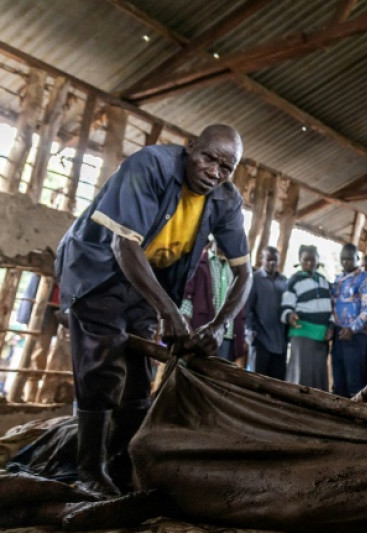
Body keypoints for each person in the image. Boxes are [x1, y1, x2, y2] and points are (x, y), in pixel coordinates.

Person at [55, 124, 251, 497]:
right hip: (98, 268)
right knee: (102, 359)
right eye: (208, 158)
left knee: (138, 378)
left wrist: (219, 326)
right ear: (190, 147)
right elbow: (122, 246)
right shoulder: (150, 166)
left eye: (226, 168)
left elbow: (245, 273)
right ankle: (90, 471)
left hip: (148, 277)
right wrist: (170, 313)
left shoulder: (226, 200)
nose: (214, 172)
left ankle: (121, 464)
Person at [181, 239, 247, 366]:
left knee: (218, 380)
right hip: (201, 336)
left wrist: (241, 339)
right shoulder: (199, 262)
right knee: (196, 376)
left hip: (228, 338)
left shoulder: (238, 270)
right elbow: (187, 299)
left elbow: (240, 306)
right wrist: (189, 331)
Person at [282, 245, 333, 390]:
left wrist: (331, 326)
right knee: (301, 376)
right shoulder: (294, 280)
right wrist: (289, 316)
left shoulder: (324, 281)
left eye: (313, 259)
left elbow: (332, 308)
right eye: (306, 260)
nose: (309, 263)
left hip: (321, 336)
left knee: (318, 376)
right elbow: (286, 305)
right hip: (302, 333)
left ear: (318, 260)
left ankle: (316, 410)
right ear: (300, 260)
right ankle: (296, 409)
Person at [331, 243, 367, 398]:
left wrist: (352, 328)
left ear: (357, 258)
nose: (345, 262)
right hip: (338, 334)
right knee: (338, 381)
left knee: (355, 383)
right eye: (343, 259)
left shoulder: (366, 279)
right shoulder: (338, 279)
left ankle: (355, 420)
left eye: (349, 259)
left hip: (356, 336)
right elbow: (333, 306)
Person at [245, 246, 288, 379]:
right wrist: (251, 333)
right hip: (260, 339)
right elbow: (247, 309)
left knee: (277, 383)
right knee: (257, 381)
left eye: (275, 260)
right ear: (262, 259)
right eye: (269, 259)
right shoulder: (254, 279)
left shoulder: (284, 282)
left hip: (280, 342)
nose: (272, 263)